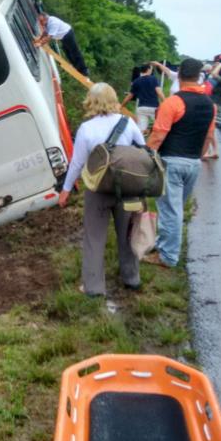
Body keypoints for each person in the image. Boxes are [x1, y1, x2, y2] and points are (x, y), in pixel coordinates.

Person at [58, 83, 143, 296]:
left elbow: (77, 163)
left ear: (91, 101)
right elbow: (143, 151)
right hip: (127, 187)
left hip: (97, 188)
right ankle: (131, 278)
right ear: (114, 99)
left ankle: (94, 288)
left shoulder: (86, 129)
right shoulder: (128, 122)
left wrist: (66, 190)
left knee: (94, 238)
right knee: (127, 234)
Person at [145, 58, 216, 268]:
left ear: (181, 75)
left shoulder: (173, 102)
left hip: (171, 162)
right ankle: (163, 244)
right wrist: (198, 157)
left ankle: (168, 256)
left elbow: (158, 134)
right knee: (174, 209)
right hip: (193, 163)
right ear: (198, 76)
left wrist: (148, 155)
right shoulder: (210, 105)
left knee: (170, 211)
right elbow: (209, 136)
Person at [121, 64, 165, 133]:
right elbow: (159, 92)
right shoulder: (153, 79)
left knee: (140, 131)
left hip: (141, 108)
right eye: (151, 69)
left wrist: (122, 106)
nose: (151, 70)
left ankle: (140, 142)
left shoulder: (136, 81)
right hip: (154, 108)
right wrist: (165, 101)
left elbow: (129, 96)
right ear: (148, 69)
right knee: (160, 128)